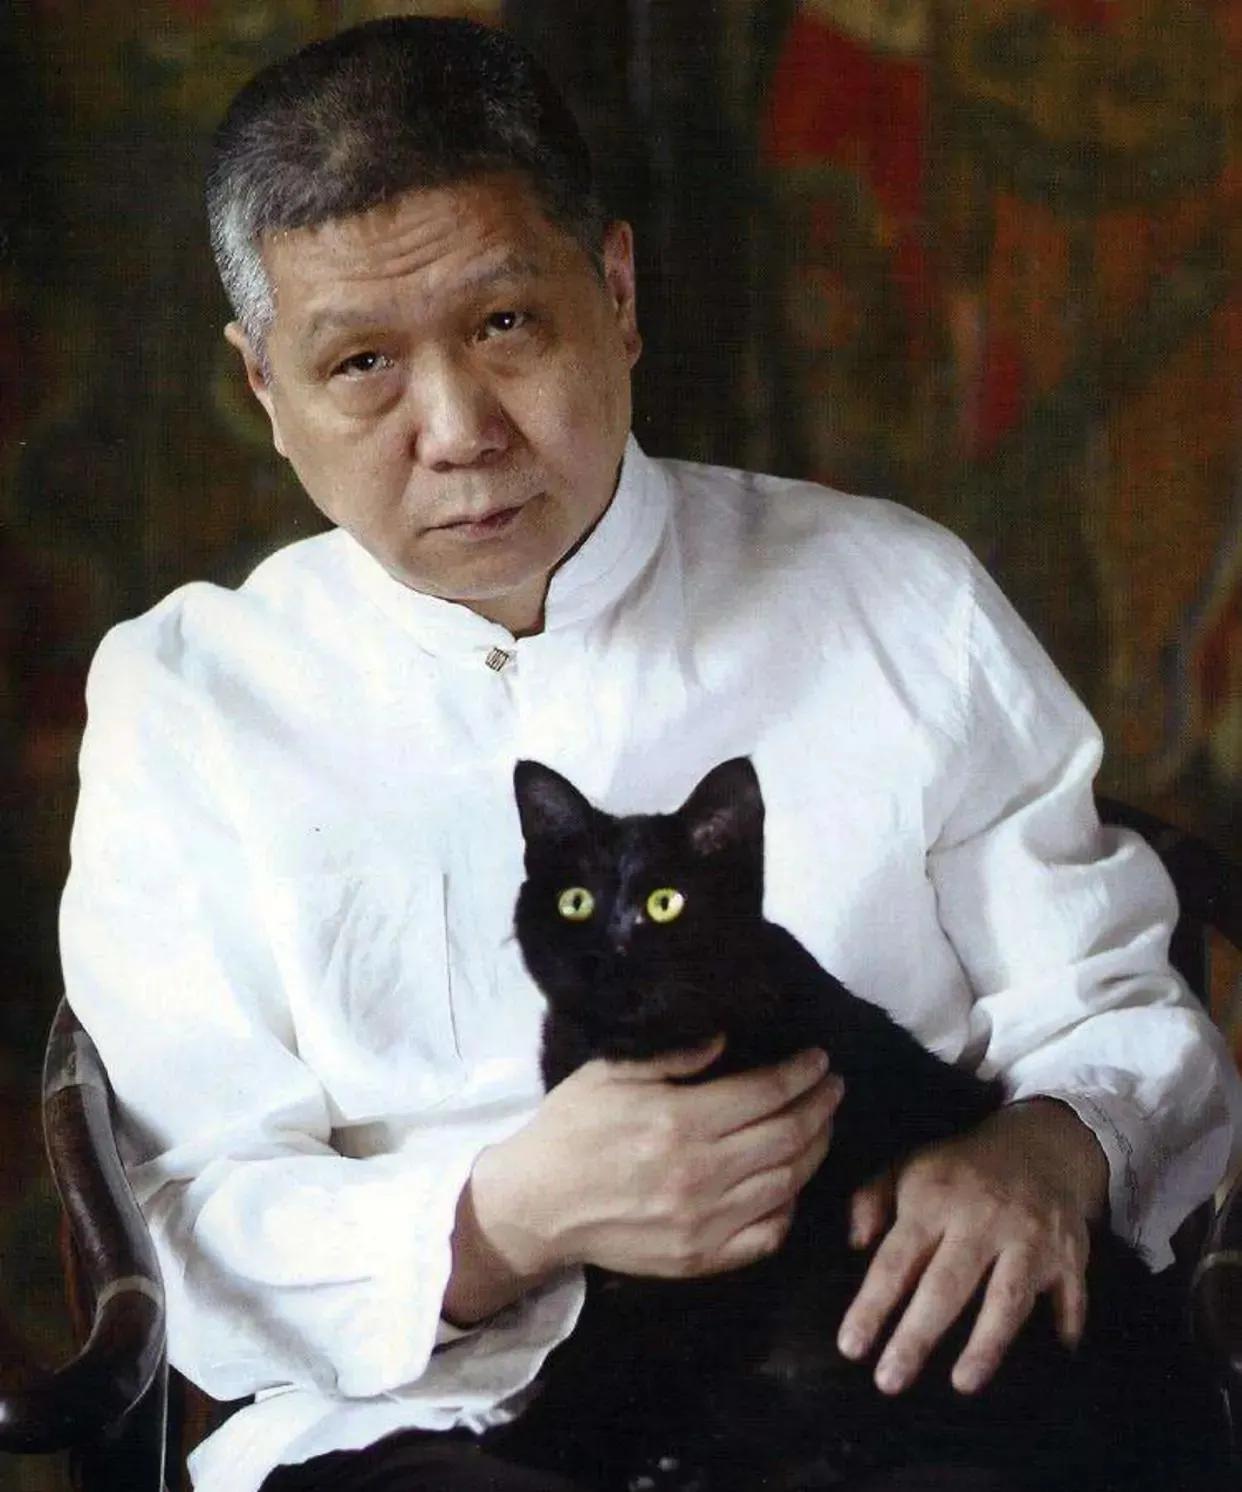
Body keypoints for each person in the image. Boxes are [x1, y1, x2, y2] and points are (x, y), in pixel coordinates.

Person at [59, 15, 1240, 1492]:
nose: (458, 431)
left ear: (614, 294)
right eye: (360, 362)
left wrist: (1049, 1149)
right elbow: (185, 1205)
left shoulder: (894, 595)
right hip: (423, 1419)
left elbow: (1111, 998)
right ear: (264, 391)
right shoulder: (187, 698)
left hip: (874, 1368)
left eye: (506, 325)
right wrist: (504, 1220)